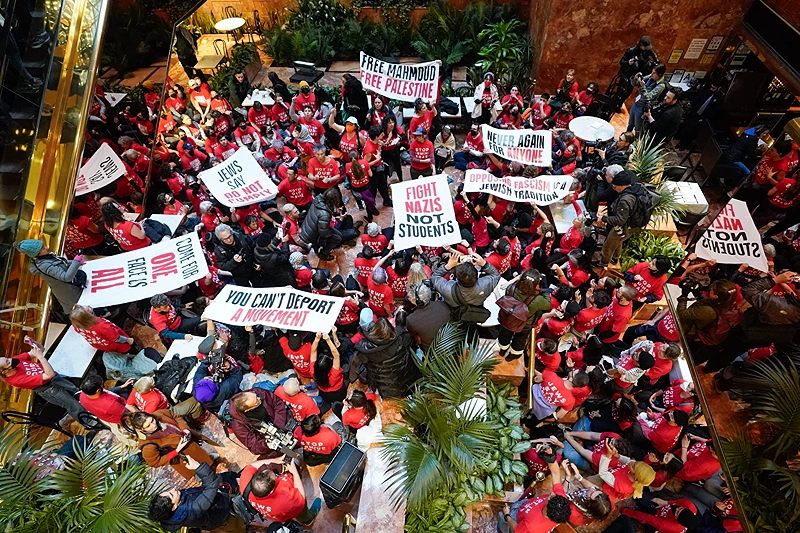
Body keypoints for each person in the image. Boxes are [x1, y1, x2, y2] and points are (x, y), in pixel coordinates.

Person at [0, 335, 88, 424]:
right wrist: (41, 357)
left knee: (76, 391)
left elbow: (40, 349)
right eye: (7, 362)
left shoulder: (15, 361)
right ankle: (90, 423)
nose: (11, 359)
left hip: (54, 378)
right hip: (48, 389)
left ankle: (93, 407)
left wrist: (33, 342)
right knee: (73, 405)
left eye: (7, 358)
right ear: (5, 371)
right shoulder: (17, 380)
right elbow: (49, 374)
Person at [148, 455, 245, 533]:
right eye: (171, 494)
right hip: (221, 515)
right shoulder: (191, 510)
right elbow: (212, 486)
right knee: (237, 525)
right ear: (173, 507)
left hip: (212, 511)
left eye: (169, 491)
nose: (173, 489)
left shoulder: (169, 513)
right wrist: (198, 467)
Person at [125, 410, 218, 480]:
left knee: (203, 457)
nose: (153, 425)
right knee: (203, 474)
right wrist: (176, 451)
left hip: (191, 446)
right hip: (182, 460)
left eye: (152, 420)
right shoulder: (148, 445)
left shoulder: (160, 414)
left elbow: (175, 417)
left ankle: (208, 460)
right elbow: (155, 462)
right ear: (142, 430)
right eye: (148, 426)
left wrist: (185, 429)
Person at [238, 456, 321, 526]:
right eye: (276, 478)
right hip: (287, 509)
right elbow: (301, 498)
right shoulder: (286, 500)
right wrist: (294, 471)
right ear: (271, 491)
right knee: (300, 512)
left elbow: (252, 466)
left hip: (276, 515)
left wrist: (275, 460)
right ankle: (307, 520)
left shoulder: (245, 482)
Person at [352, 318, 417, 399]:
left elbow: (360, 367)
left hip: (388, 388)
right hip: (410, 379)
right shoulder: (402, 337)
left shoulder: (365, 348)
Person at [15, 239, 86, 314]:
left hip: (75, 287)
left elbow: (62, 263)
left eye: (44, 245)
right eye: (43, 248)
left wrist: (75, 262)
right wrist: (76, 262)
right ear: (37, 254)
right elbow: (66, 277)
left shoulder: (47, 256)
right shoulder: (44, 266)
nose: (46, 247)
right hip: (72, 295)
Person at [497, 269, 551, 360]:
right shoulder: (538, 300)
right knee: (520, 338)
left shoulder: (511, 288)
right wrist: (545, 288)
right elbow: (548, 304)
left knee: (505, 333)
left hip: (509, 318)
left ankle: (502, 350)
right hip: (525, 322)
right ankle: (512, 355)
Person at [599, 170, 647, 268]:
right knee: (618, 240)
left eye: (615, 186)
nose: (614, 188)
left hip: (626, 225)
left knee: (609, 244)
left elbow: (620, 220)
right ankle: (615, 258)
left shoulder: (625, 200)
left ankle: (603, 263)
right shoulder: (635, 187)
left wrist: (603, 218)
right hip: (633, 223)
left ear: (622, 185)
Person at [431, 250, 501, 315]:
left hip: (454, 311)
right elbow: (496, 275)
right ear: (477, 275)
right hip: (474, 311)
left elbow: (434, 277)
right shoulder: (485, 285)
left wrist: (448, 266)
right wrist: (483, 263)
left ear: (457, 279)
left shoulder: (447, 288)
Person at [228, 389, 292, 457]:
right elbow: (253, 446)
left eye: (256, 396)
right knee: (290, 454)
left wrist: (279, 426)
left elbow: (278, 404)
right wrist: (266, 444)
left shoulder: (257, 392)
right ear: (248, 410)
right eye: (256, 402)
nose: (259, 398)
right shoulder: (238, 426)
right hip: (269, 439)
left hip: (281, 422)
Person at [613, 36, 659, 109]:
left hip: (635, 75)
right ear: (641, 45)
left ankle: (620, 104)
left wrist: (656, 64)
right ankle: (614, 104)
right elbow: (621, 62)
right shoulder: (631, 51)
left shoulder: (647, 51)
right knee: (621, 91)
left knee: (628, 91)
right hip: (627, 73)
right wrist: (628, 62)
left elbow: (654, 56)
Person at [300, 188, 344, 261]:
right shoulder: (324, 215)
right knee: (337, 239)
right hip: (312, 235)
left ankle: (317, 247)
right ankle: (323, 253)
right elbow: (323, 233)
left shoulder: (318, 200)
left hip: (308, 228)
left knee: (339, 235)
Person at [404, 283, 452, 351]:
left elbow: (417, 338)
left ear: (416, 301)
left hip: (432, 353)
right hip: (451, 344)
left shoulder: (411, 320)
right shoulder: (443, 305)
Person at [627, 63, 667, 134]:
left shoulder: (661, 86)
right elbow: (635, 84)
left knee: (638, 129)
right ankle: (626, 137)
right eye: (652, 72)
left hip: (642, 108)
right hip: (637, 102)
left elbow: (648, 97)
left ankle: (635, 143)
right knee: (630, 124)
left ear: (659, 75)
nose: (651, 74)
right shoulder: (651, 76)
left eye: (654, 73)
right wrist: (636, 79)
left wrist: (642, 87)